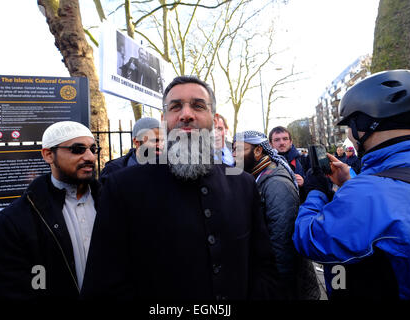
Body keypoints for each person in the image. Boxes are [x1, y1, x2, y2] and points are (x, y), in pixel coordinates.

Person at [81, 76, 279, 300]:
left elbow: (263, 268)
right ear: (164, 120)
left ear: (213, 120)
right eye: (176, 106)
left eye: (198, 105)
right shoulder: (122, 188)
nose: (186, 114)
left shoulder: (243, 185)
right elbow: (103, 285)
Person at [292, 69, 410, 300]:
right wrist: (352, 181)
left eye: (349, 125)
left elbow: (309, 238)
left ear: (365, 125)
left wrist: (316, 191)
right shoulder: (369, 189)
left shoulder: (366, 194)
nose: (349, 135)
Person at [0, 121, 101, 299]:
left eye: (93, 149)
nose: (90, 157)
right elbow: (5, 288)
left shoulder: (112, 203)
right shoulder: (14, 220)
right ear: (48, 155)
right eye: (78, 149)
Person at [233, 131, 320, 300]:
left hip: (286, 287)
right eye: (233, 149)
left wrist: (273, 289)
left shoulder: (276, 183)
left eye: (239, 149)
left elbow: (282, 244)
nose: (234, 155)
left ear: (258, 151)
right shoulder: (258, 174)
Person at [99, 117, 163, 184]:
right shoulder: (113, 170)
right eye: (155, 140)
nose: (161, 145)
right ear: (136, 141)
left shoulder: (170, 169)